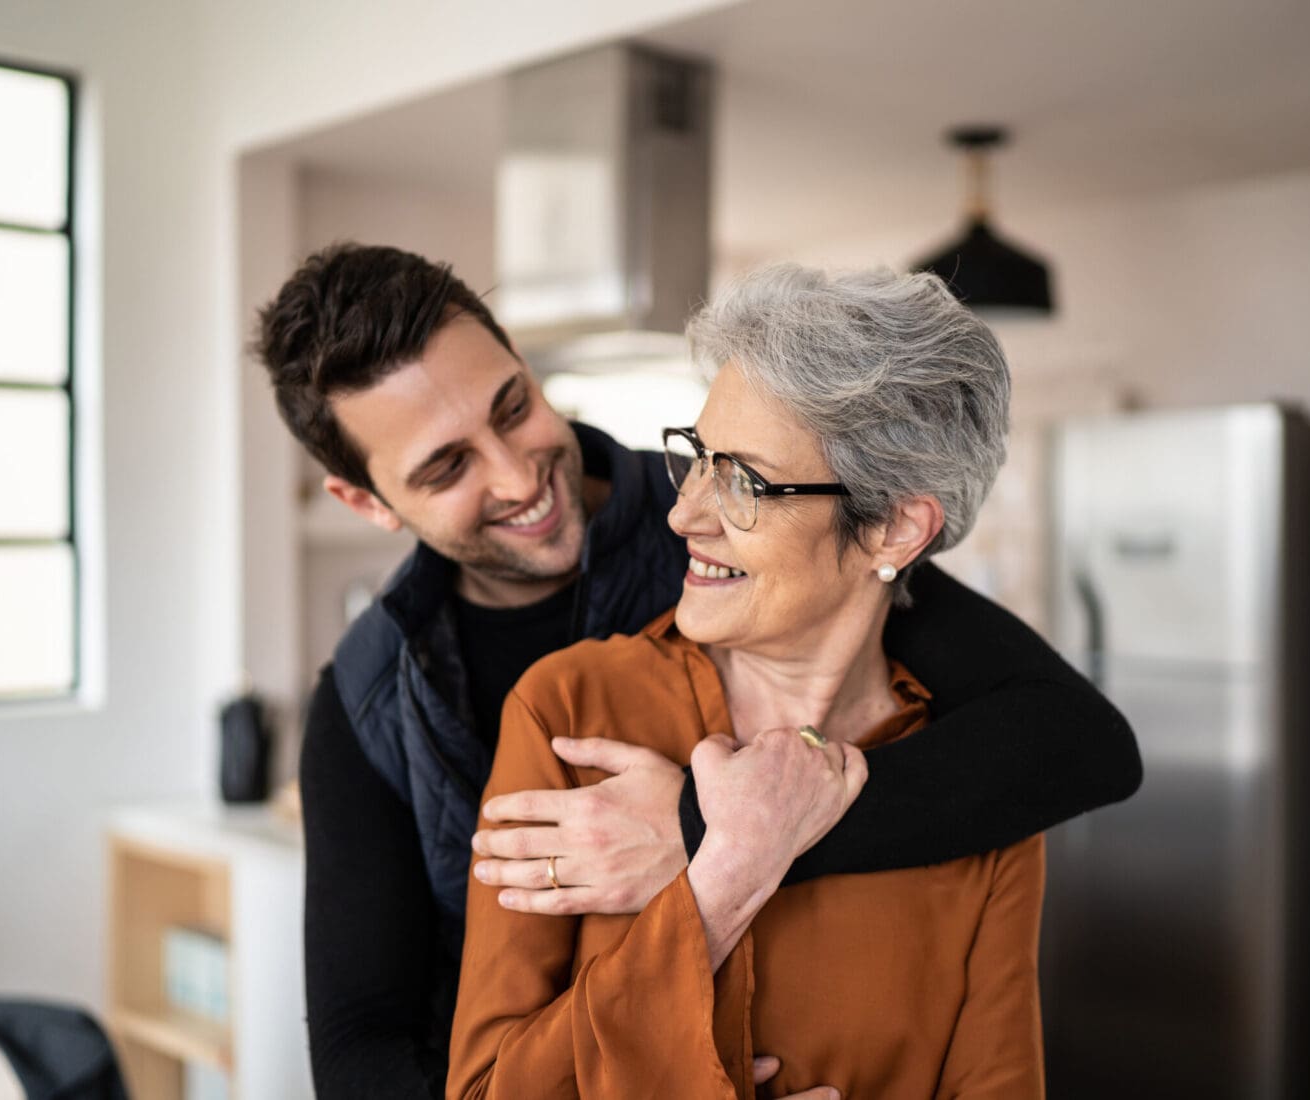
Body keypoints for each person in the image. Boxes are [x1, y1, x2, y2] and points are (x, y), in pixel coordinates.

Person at [253, 245, 1140, 1098]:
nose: (520, 474)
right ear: (367, 502)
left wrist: (709, 829)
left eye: (514, 406)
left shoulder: (774, 541)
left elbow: (1076, 740)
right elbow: (362, 1041)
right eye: (447, 466)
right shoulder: (385, 698)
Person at [449, 264, 1056, 1099]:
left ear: (892, 528)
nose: (685, 514)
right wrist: (722, 876)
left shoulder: (988, 797)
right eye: (698, 460)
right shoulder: (572, 707)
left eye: (746, 481)